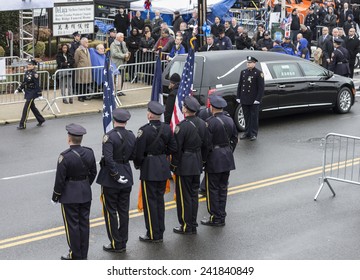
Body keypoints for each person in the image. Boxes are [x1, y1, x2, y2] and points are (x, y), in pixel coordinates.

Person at [51, 123, 97, 260]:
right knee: (84, 225)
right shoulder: (89, 152)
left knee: (72, 227)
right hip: (85, 193)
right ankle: (83, 254)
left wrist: (55, 197)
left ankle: (75, 255)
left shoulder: (64, 156)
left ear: (69, 138)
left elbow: (60, 180)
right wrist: (84, 184)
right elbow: (93, 172)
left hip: (69, 196)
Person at [134, 101, 177, 242]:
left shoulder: (144, 130)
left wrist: (139, 164)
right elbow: (172, 147)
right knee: (159, 202)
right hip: (162, 167)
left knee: (150, 203)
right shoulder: (166, 128)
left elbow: (138, 153)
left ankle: (152, 233)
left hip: (150, 168)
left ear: (150, 114)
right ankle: (160, 231)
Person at [96, 108, 136, 253]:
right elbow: (133, 155)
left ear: (114, 120)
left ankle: (115, 242)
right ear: (125, 121)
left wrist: (115, 174)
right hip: (126, 173)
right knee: (124, 211)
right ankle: (123, 241)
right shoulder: (131, 136)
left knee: (111, 211)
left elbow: (108, 158)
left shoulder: (109, 136)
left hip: (111, 179)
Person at [171, 96, 208, 235]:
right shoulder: (203, 124)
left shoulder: (182, 127)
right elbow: (206, 145)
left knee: (184, 197)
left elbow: (177, 149)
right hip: (197, 163)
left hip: (184, 165)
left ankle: (186, 225)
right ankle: (192, 223)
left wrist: (174, 166)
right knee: (193, 195)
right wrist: (202, 162)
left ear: (185, 109)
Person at [201, 95, 238, 227]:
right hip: (227, 157)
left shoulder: (209, 122)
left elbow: (206, 144)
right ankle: (221, 215)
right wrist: (228, 150)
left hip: (214, 159)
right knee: (223, 188)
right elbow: (235, 138)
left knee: (213, 190)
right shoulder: (229, 120)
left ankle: (215, 217)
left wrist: (204, 160)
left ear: (212, 107)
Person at [237, 56, 264, 141]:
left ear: (254, 63)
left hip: (253, 99)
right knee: (246, 116)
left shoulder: (258, 73)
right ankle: (247, 132)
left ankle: (253, 133)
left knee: (253, 117)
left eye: (250, 62)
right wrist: (238, 97)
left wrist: (258, 99)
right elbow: (240, 85)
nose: (248, 64)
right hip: (245, 98)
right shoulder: (243, 72)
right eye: (247, 62)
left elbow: (261, 88)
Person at [15, 59, 45, 130]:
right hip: (28, 91)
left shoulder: (35, 74)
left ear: (33, 66)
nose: (28, 65)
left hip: (32, 92)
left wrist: (39, 94)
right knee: (32, 107)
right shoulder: (27, 72)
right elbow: (24, 82)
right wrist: (18, 89)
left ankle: (22, 124)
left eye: (30, 64)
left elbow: (37, 85)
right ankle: (41, 119)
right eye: (28, 64)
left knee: (26, 108)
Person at [74, 37, 92, 102]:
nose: (87, 43)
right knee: (80, 83)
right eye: (86, 42)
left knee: (85, 83)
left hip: (87, 69)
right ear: (82, 43)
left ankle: (84, 95)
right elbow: (76, 60)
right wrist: (78, 67)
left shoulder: (87, 49)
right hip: (81, 69)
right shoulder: (78, 50)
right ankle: (80, 96)